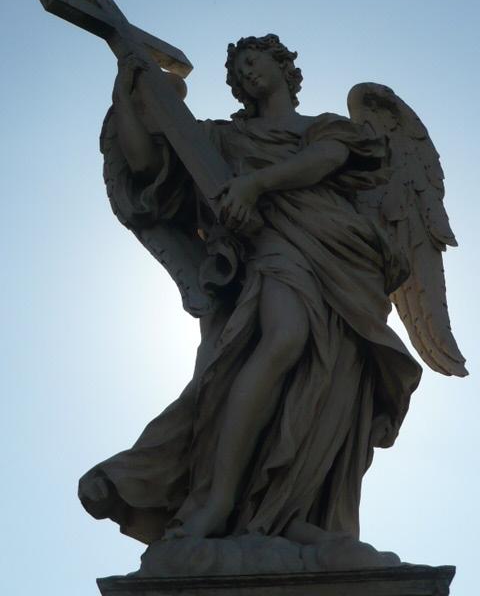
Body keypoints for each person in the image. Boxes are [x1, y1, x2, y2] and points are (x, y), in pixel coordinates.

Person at [79, 34, 421, 554]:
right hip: (275, 245)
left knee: (332, 379)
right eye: (238, 69)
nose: (247, 72)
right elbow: (147, 164)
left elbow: (323, 160)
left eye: (254, 60)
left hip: (346, 255)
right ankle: (218, 501)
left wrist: (254, 185)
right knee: (285, 336)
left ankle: (291, 513)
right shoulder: (220, 140)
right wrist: (126, 93)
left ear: (284, 67)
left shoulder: (327, 126)